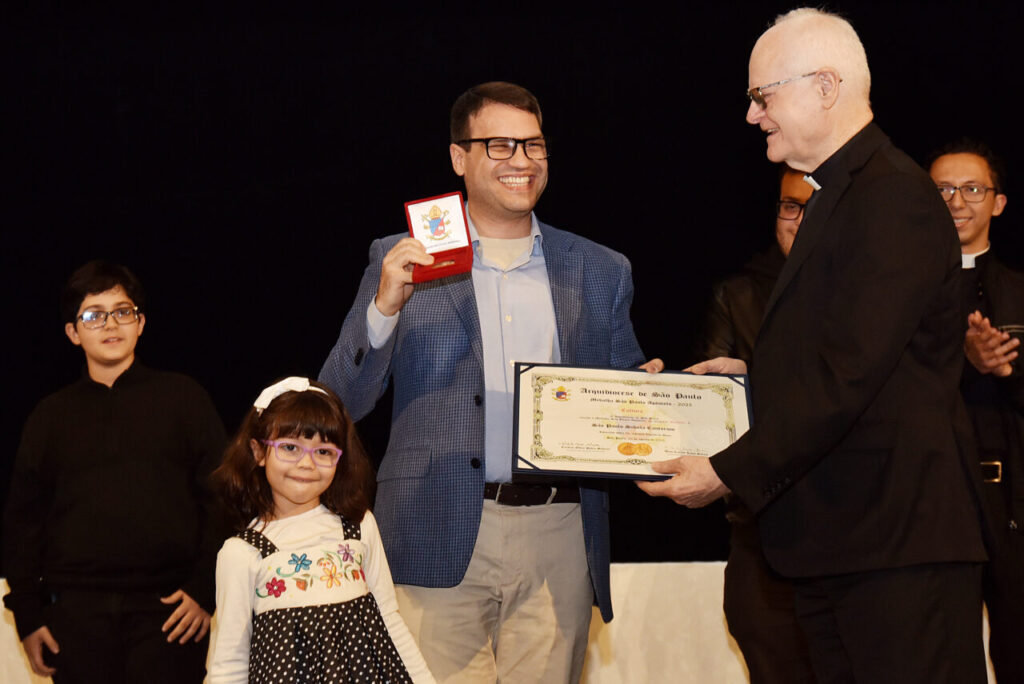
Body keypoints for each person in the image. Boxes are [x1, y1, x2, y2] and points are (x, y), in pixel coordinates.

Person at [639, 8, 989, 682]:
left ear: (825, 86)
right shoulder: (842, 196)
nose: (752, 116)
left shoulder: (894, 198)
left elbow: (848, 376)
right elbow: (862, 350)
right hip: (849, 547)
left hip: (896, 550)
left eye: (761, 95)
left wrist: (726, 471)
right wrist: (753, 373)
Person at [319, 81, 657, 682]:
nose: (521, 161)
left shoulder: (600, 269)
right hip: (435, 526)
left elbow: (625, 388)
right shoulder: (404, 257)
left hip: (560, 530)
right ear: (459, 158)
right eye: (499, 145)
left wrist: (665, 396)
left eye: (534, 145)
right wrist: (384, 309)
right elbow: (342, 400)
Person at [2, 260, 226, 682]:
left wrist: (203, 591)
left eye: (123, 312)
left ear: (140, 323)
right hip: (75, 616)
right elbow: (22, 522)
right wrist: (29, 618)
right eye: (93, 315)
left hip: (169, 613)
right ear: (73, 332)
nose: (111, 324)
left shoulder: (183, 398)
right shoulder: (49, 416)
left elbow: (223, 500)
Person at [207, 377, 433, 683]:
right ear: (258, 452)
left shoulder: (358, 527)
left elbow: (389, 621)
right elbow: (229, 663)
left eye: (324, 452)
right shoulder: (242, 553)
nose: (307, 464)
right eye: (290, 447)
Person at [699, 166, 816, 684]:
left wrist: (761, 378)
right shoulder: (738, 294)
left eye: (813, 206)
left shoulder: (872, 289)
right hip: (761, 530)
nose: (798, 219)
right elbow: (709, 413)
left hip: (856, 532)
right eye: (789, 206)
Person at [929, 139, 1024, 682]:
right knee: (943, 655)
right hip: (934, 502)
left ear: (999, 202)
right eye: (941, 189)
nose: (956, 201)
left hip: (1013, 500)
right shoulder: (901, 294)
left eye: (971, 189)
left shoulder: (1018, 290)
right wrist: (962, 362)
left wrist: (1006, 369)